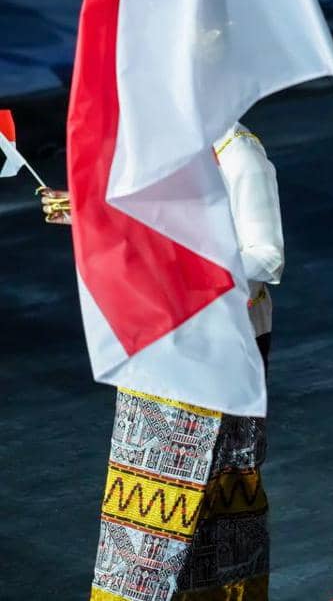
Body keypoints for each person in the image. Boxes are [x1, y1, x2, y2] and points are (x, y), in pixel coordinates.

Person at [43, 121, 283, 600]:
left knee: (217, 509)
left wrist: (173, 256)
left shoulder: (239, 156)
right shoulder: (163, 148)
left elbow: (267, 260)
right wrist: (94, 217)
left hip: (217, 361)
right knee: (140, 515)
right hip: (157, 350)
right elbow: (146, 231)